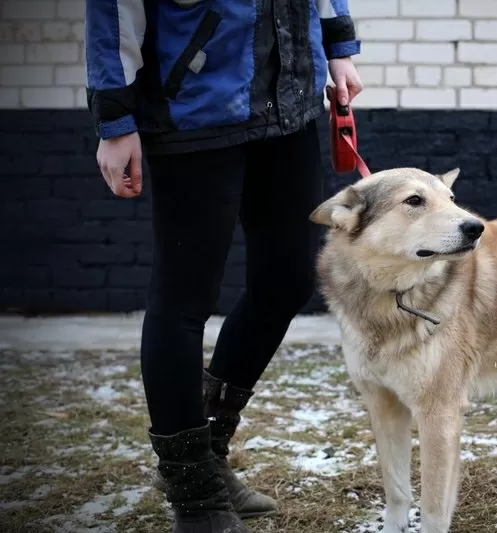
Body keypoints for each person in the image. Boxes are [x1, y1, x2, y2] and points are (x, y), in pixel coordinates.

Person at [84, 1, 363, 531]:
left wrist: (339, 48)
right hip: (194, 106)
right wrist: (115, 120)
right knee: (184, 299)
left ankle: (208, 450)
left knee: (285, 281)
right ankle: (192, 488)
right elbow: (114, 11)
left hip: (291, 103)